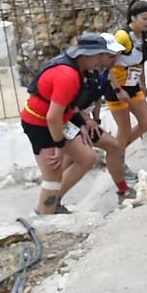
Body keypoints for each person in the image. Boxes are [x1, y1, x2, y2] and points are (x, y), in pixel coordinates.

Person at [20, 32, 122, 215]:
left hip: (61, 121)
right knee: (53, 176)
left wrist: (80, 123)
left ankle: (53, 204)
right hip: (40, 124)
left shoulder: (79, 70)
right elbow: (53, 117)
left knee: (87, 158)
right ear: (85, 55)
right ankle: (44, 218)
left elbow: (69, 105)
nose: (101, 60)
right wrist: (59, 147)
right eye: (99, 56)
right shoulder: (68, 75)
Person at [105, 0, 147, 191]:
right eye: (144, 18)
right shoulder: (122, 37)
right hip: (117, 88)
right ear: (133, 18)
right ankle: (119, 161)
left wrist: (143, 83)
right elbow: (108, 62)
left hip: (133, 86)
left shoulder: (142, 36)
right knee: (124, 129)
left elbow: (141, 61)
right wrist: (118, 88)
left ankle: (116, 153)